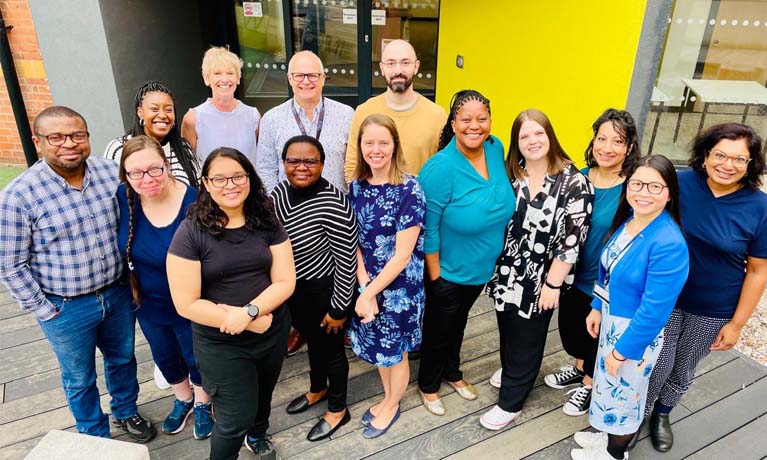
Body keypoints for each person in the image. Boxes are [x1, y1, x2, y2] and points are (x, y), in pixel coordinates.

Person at [0, 106, 155, 442]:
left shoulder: (110, 173)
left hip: (116, 293)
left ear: (87, 137)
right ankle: (93, 433)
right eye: (56, 137)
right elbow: (10, 265)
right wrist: (47, 311)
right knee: (79, 376)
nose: (69, 143)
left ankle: (126, 411)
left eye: (77, 135)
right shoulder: (18, 196)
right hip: (65, 306)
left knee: (123, 359)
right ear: (38, 141)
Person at [642, 123, 767, 453]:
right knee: (657, 360)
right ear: (706, 154)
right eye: (720, 155)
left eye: (739, 159)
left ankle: (662, 414)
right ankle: (636, 411)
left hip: (714, 306)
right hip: (664, 297)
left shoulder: (759, 207)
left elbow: (757, 271)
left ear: (752, 163)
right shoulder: (679, 184)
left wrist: (737, 324)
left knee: (683, 366)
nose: (728, 165)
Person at [167, 148, 294, 460]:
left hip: (271, 332)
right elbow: (186, 303)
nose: (230, 184)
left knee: (263, 397)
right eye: (219, 178)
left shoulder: (267, 221)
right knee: (235, 416)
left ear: (249, 177)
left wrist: (252, 312)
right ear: (207, 184)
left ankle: (258, 434)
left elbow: (285, 281)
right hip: (222, 342)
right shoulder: (191, 231)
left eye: (238, 176)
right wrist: (249, 321)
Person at [571, 155, 689, 460]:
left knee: (624, 397)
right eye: (636, 184)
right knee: (609, 388)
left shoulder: (668, 242)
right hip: (612, 321)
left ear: (669, 192)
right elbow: (607, 270)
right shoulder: (631, 221)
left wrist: (622, 350)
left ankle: (614, 453)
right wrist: (597, 305)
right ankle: (606, 439)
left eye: (654, 186)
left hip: (634, 334)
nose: (643, 192)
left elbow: (654, 310)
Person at [484, 109, 593, 431]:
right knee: (507, 327)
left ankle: (511, 402)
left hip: (543, 278)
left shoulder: (574, 182)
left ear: (550, 136)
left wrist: (552, 284)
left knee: (528, 337)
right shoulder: (511, 176)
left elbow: (572, 241)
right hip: (507, 270)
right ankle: (512, 367)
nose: (532, 141)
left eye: (538, 134)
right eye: (525, 136)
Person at [416, 90, 515, 416]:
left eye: (481, 118)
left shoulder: (495, 147)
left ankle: (451, 371)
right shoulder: (440, 168)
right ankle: (428, 384)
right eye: (466, 119)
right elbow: (428, 228)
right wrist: (437, 278)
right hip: (447, 271)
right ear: (454, 123)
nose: (475, 126)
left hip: (481, 269)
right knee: (437, 330)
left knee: (458, 324)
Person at [544, 109, 640, 417]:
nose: (607, 147)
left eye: (617, 141)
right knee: (572, 332)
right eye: (602, 138)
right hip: (570, 273)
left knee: (595, 335)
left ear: (629, 147)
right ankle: (579, 368)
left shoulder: (631, 189)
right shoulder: (578, 177)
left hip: (603, 282)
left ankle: (589, 382)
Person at [116, 135, 213, 439]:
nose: (147, 179)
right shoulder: (124, 197)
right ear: (126, 176)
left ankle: (202, 402)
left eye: (154, 169)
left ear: (167, 165)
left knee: (195, 355)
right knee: (165, 355)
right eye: (136, 173)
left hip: (191, 302)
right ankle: (183, 398)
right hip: (147, 301)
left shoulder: (195, 201)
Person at [271, 135, 358, 441]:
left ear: (322, 164)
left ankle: (338, 409)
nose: (301, 167)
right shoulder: (279, 193)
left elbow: (347, 261)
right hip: (293, 292)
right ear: (284, 164)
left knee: (332, 352)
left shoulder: (334, 203)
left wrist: (339, 309)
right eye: (294, 161)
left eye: (310, 161)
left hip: (325, 291)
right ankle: (317, 389)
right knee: (312, 344)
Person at [348, 114, 426, 438]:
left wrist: (369, 294)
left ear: (394, 145)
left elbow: (402, 255)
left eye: (383, 142)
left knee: (396, 351)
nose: (376, 149)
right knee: (379, 348)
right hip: (368, 284)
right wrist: (365, 287)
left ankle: (393, 403)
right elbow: (356, 244)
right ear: (361, 146)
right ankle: (386, 397)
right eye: (369, 143)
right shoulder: (355, 187)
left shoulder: (409, 188)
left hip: (400, 289)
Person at [344, 39, 446, 181]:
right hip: (374, 201)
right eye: (391, 63)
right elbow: (352, 167)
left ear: (416, 67)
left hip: (422, 201)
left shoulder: (437, 115)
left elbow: (444, 170)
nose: (398, 70)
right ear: (382, 68)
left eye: (405, 63)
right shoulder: (364, 112)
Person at [256, 50, 353, 193]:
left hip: (336, 208)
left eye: (313, 75)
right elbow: (266, 170)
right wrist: (276, 206)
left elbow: (354, 166)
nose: (306, 81)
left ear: (323, 78)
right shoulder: (271, 119)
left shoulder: (346, 115)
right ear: (290, 79)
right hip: (290, 211)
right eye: (299, 76)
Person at [104, 80, 200, 188]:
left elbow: (199, 189)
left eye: (168, 110)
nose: (163, 115)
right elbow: (112, 193)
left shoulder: (184, 148)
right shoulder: (119, 148)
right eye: (154, 109)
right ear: (140, 112)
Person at [182, 46, 261, 166]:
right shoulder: (193, 119)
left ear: (238, 78)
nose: (224, 79)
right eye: (217, 73)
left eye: (230, 73)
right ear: (206, 79)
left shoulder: (253, 116)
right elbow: (188, 164)